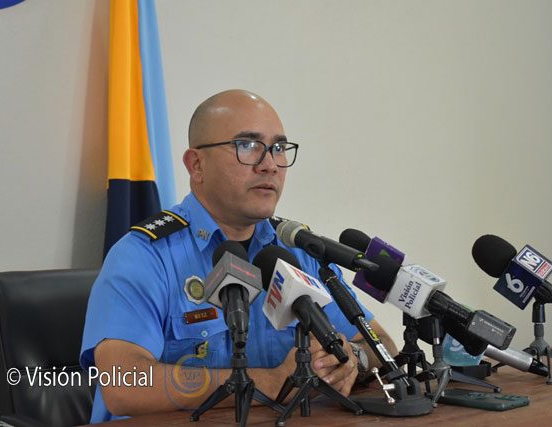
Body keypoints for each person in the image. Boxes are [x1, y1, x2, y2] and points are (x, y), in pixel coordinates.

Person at [80, 89, 398, 423]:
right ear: (197, 165)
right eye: (248, 146)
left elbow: (382, 344)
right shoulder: (143, 256)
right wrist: (269, 382)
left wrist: (350, 359)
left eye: (278, 148)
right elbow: (123, 384)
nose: (270, 165)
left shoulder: (297, 252)